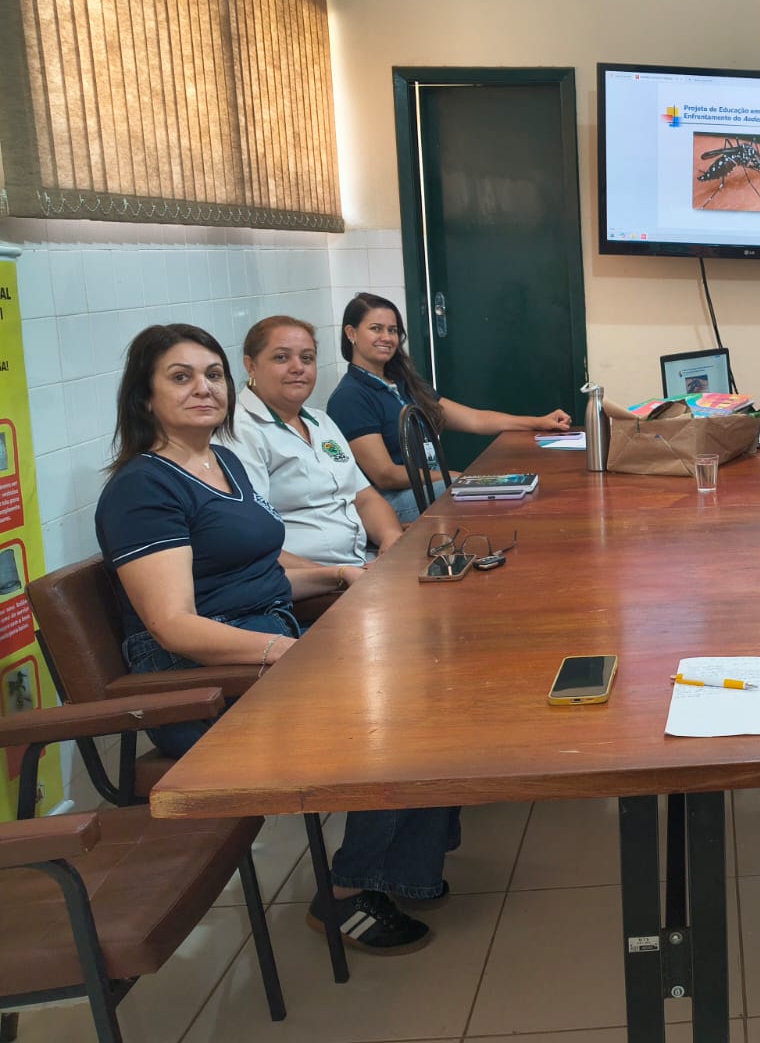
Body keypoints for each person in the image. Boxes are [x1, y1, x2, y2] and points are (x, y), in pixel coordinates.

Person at [95, 323, 452, 956]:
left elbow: (259, 570)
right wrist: (282, 652)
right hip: (203, 680)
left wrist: (341, 572)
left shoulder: (222, 460)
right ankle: (345, 894)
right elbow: (172, 624)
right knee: (404, 716)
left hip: (270, 642)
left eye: (212, 375)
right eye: (180, 377)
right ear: (144, 398)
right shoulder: (143, 488)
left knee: (437, 675)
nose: (204, 388)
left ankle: (401, 869)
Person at [326, 292, 572, 523]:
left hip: (430, 485)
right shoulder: (350, 396)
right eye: (375, 329)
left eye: (393, 330)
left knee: (513, 486)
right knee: (490, 496)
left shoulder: (402, 381)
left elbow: (474, 419)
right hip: (390, 504)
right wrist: (455, 478)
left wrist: (538, 422)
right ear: (351, 333)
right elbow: (385, 474)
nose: (387, 338)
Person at [232, 315, 404, 569]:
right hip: (308, 583)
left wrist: (392, 540)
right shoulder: (241, 430)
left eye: (307, 358)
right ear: (251, 366)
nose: (297, 368)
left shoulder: (319, 421)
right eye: (281, 357)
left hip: (358, 564)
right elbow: (251, 542)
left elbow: (365, 498)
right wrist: (336, 577)